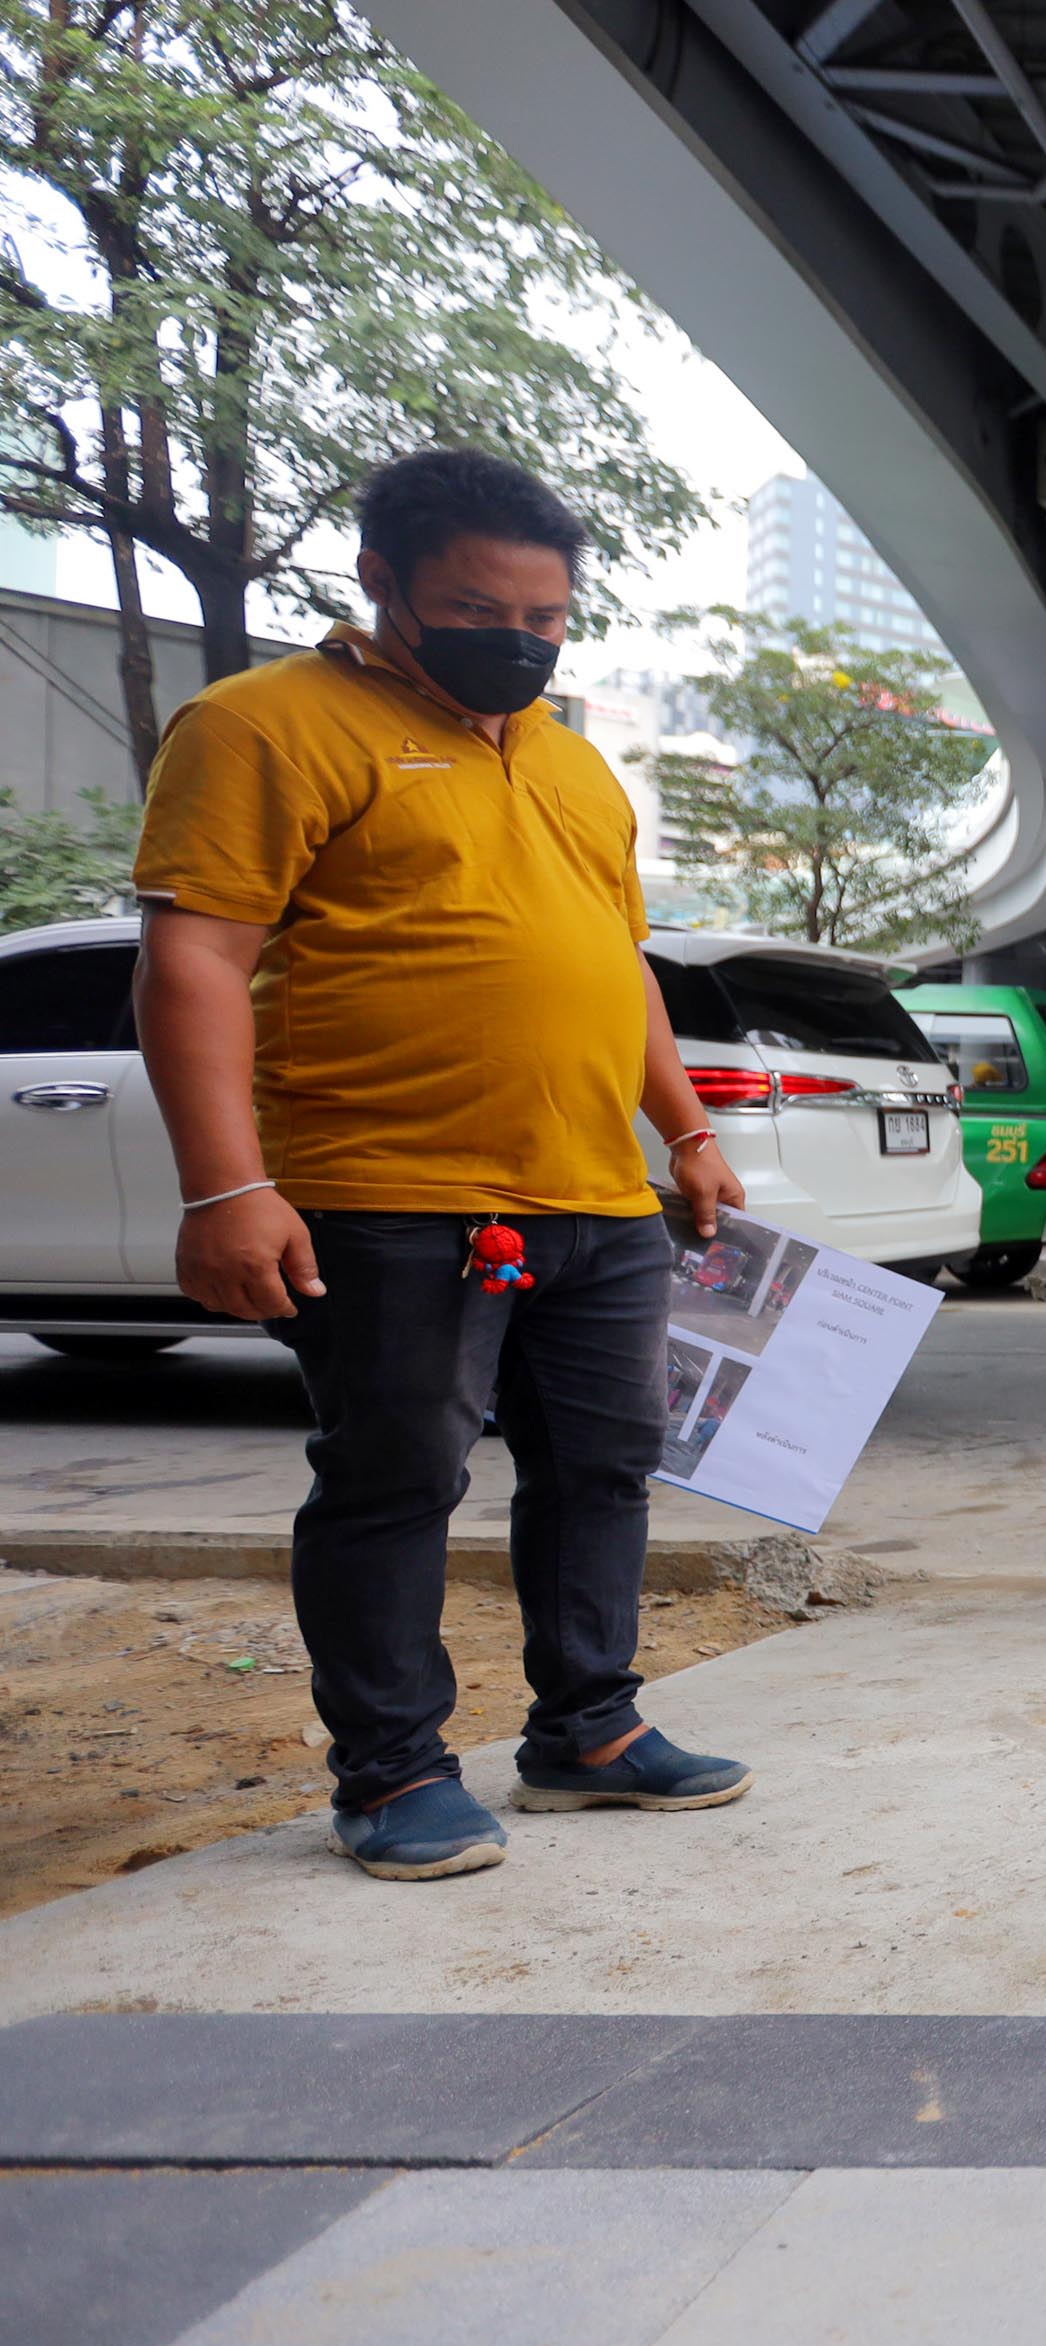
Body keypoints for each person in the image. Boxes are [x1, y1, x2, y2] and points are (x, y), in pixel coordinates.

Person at [130, 447, 753, 1882]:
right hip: (388, 1191)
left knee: (604, 1469)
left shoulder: (576, 763)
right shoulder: (265, 726)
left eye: (547, 620)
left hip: (597, 1195)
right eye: (482, 607)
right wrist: (226, 1187)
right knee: (395, 1478)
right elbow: (198, 957)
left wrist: (690, 1132)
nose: (519, 641)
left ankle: (588, 1730)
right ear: (382, 582)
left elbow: (619, 967)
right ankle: (395, 1770)